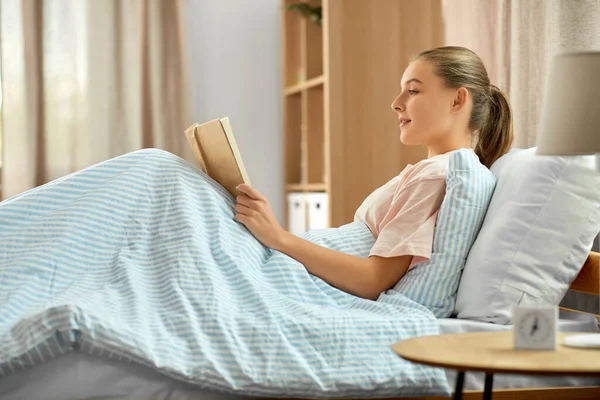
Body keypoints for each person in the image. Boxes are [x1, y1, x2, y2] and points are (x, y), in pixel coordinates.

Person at [234, 46, 514, 301]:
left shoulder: (438, 174)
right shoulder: (434, 170)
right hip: (291, 274)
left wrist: (277, 237)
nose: (396, 103)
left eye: (413, 91)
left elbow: (374, 279)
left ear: (457, 100)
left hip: (297, 282)